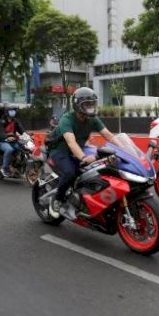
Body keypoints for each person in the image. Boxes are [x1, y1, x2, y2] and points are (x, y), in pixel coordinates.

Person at [46, 87, 121, 219]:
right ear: (77, 105)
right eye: (87, 104)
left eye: (92, 104)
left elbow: (108, 135)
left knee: (95, 171)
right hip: (60, 151)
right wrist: (84, 157)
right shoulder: (67, 119)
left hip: (78, 150)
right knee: (70, 173)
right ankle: (57, 200)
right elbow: (71, 142)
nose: (91, 107)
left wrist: (124, 149)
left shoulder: (92, 119)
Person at [0, 105, 26, 178]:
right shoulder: (1, 121)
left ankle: (17, 166)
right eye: (11, 110)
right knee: (9, 149)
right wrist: (7, 137)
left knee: (22, 148)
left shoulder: (16, 121)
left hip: (13, 141)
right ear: (7, 112)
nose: (13, 112)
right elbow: (0, 132)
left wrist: (27, 135)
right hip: (2, 141)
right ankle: (4, 168)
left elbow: (22, 130)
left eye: (14, 110)